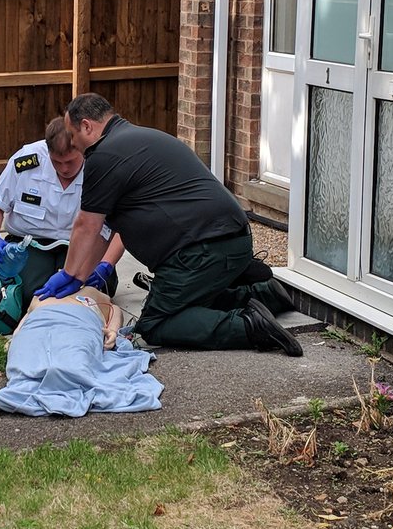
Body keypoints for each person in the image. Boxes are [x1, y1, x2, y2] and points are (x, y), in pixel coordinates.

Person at [35, 93, 303, 356]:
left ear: (86, 126)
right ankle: (264, 295)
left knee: (156, 324)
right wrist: (84, 275)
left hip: (201, 250)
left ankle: (250, 327)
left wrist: (69, 274)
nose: (72, 142)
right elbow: (105, 231)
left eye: (72, 135)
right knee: (189, 305)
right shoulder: (137, 139)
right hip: (229, 238)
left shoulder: (103, 156)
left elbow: (86, 226)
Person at [0, 116, 123, 312]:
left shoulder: (103, 166)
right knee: (30, 294)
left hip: (84, 246)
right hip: (32, 243)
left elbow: (121, 226)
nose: (64, 169)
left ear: (81, 148)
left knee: (88, 294)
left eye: (70, 161)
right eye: (57, 162)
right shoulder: (27, 160)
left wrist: (106, 265)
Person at [0, 287, 163, 416]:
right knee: (28, 355)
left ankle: (63, 372)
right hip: (39, 321)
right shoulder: (41, 294)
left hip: (79, 321)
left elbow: (114, 312)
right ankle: (36, 371)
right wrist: (17, 339)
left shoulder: (94, 292)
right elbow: (23, 324)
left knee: (73, 359)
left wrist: (111, 332)